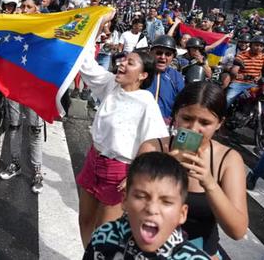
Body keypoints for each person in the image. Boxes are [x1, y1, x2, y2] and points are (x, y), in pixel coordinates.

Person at [77, 26, 168, 247]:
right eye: (124, 59)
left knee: (104, 235)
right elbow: (85, 62)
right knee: (85, 221)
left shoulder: (146, 102)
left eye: (130, 63)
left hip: (119, 173)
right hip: (93, 161)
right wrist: (95, 27)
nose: (122, 64)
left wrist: (135, 177)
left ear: (143, 75)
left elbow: (160, 144)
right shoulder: (110, 85)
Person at [138, 81, 248, 257]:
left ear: (219, 123)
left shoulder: (228, 160)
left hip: (202, 252)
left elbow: (237, 230)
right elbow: (132, 207)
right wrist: (163, 171)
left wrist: (210, 184)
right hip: (150, 249)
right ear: (175, 115)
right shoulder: (152, 148)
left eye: (205, 123)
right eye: (187, 119)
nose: (194, 128)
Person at [82, 152, 211, 260]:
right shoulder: (103, 237)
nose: (152, 209)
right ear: (125, 200)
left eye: (166, 202)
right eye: (141, 196)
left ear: (182, 214)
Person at [0, 0, 46, 194]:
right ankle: (15, 163)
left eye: (28, 7)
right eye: (22, 6)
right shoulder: (13, 23)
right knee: (15, 126)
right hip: (13, 84)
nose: (24, 10)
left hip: (35, 86)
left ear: (37, 8)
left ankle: (37, 171)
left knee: (34, 129)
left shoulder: (46, 27)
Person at [227, 35, 264, 107]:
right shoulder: (241, 56)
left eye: (261, 46)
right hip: (239, 83)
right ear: (251, 45)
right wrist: (238, 75)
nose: (258, 47)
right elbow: (234, 71)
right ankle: (220, 116)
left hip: (255, 84)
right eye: (256, 45)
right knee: (228, 99)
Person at [147, 35, 185, 122]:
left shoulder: (176, 77)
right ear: (150, 53)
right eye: (159, 53)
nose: (163, 57)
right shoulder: (141, 72)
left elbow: (181, 104)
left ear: (173, 57)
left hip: (164, 127)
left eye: (168, 54)